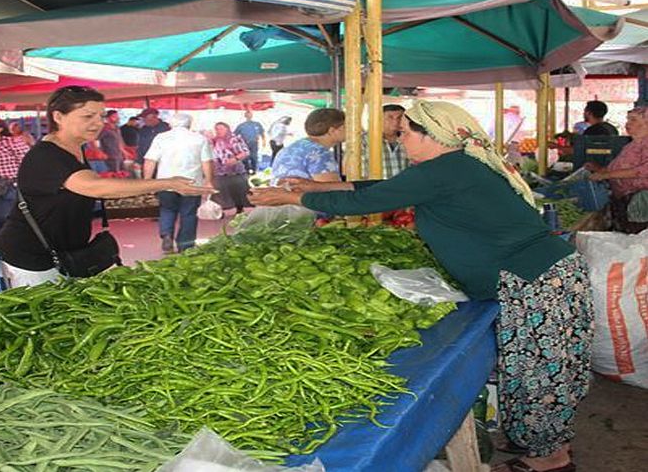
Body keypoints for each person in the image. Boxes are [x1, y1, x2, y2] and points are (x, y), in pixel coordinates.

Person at [251, 100, 592, 472]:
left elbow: (370, 200)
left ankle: (550, 460)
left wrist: (291, 196)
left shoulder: (445, 169)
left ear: (434, 136)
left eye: (407, 131)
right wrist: (326, 185)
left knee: (540, 369)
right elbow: (389, 188)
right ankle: (544, 441)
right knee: (539, 366)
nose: (401, 136)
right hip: (541, 275)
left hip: (536, 280)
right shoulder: (452, 166)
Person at [0, 86, 214, 288]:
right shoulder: (47, 155)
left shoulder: (76, 149)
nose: (98, 122)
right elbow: (95, 187)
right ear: (58, 116)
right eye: (88, 116)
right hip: (31, 254)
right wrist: (167, 183)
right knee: (41, 318)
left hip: (65, 251)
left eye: (100, 116)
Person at [144, 113, 214, 253]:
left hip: (165, 181)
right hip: (192, 183)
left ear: (170, 124)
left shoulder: (161, 138)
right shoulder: (200, 139)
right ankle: (185, 246)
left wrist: (147, 181)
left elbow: (150, 160)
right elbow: (206, 162)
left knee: (167, 209)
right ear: (190, 124)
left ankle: (167, 235)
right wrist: (209, 181)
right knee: (188, 213)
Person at [589, 106, 648, 233]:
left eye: (633, 120)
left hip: (641, 200)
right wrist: (600, 169)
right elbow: (619, 169)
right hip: (625, 198)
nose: (628, 123)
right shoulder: (632, 145)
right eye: (628, 119)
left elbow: (642, 170)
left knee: (638, 237)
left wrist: (606, 175)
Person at [271, 108, 343, 185]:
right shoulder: (319, 152)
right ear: (332, 131)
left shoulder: (290, 148)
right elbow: (334, 191)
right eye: (345, 127)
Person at [211, 122, 250, 215]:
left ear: (227, 129)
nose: (218, 131)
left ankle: (239, 209)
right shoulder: (214, 140)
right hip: (219, 171)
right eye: (216, 129)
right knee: (219, 192)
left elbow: (246, 152)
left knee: (237, 191)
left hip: (235, 170)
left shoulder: (235, 139)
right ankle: (220, 211)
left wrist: (235, 159)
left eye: (221, 129)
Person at [362, 104, 408, 179]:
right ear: (379, 119)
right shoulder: (365, 141)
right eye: (390, 117)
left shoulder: (409, 139)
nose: (395, 121)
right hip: (377, 188)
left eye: (399, 118)